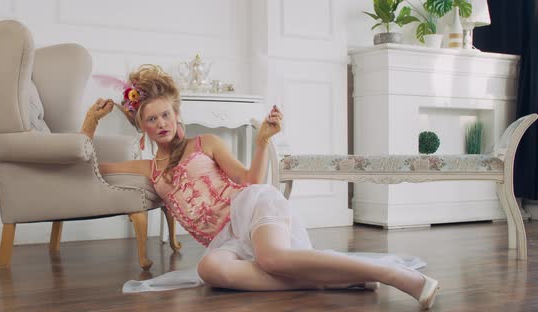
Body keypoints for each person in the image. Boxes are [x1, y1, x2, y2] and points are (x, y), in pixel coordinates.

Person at [81, 64, 440, 309]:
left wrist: (262, 141)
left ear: (177, 117)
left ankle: (394, 275)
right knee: (210, 271)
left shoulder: (204, 144)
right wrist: (90, 122)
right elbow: (89, 162)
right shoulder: (147, 168)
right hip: (228, 238)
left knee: (271, 258)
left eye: (165, 114)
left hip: (252, 207)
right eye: (151, 118)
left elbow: (251, 182)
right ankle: (337, 280)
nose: (160, 122)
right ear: (142, 126)